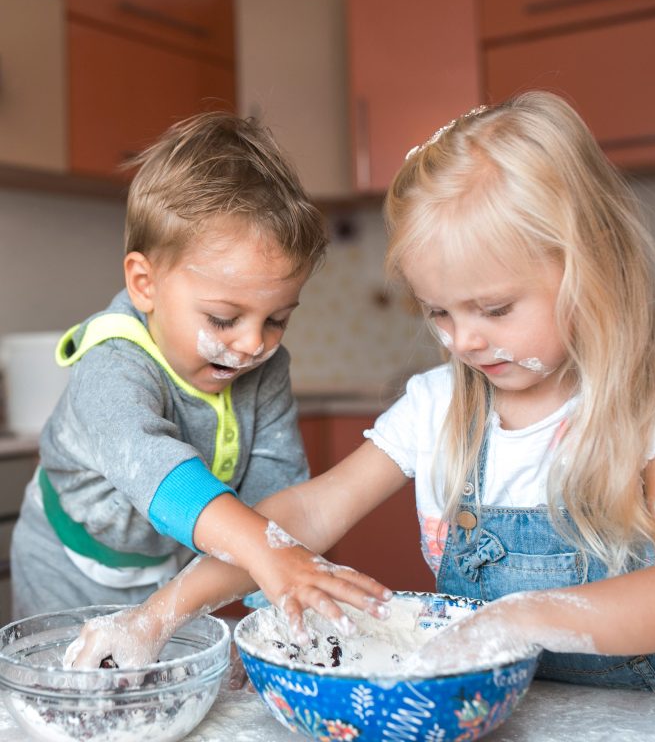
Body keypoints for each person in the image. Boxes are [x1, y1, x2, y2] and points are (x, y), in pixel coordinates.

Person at [65, 92, 655, 706]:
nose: (464, 342)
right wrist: (159, 615)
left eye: (495, 308)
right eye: (440, 314)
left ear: (589, 268)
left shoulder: (650, 396)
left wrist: (521, 618)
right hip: (514, 713)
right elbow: (301, 513)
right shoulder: (440, 406)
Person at [11, 110, 390, 625]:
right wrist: (266, 553)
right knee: (73, 688)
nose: (254, 344)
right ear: (145, 284)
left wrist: (279, 607)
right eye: (224, 318)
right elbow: (153, 466)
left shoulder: (264, 370)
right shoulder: (113, 364)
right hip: (63, 565)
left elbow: (273, 497)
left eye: (277, 318)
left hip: (165, 564)